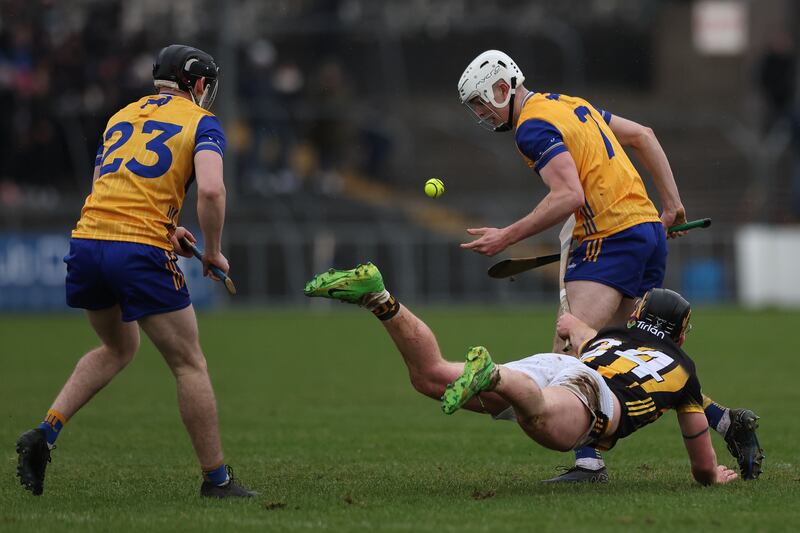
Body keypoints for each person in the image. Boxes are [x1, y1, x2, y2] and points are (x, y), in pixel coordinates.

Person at [455, 49, 756, 481]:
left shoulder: (532, 127)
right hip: (646, 234)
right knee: (625, 356)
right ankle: (726, 421)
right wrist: (669, 205)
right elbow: (645, 136)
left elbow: (569, 197)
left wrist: (506, 235)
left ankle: (589, 464)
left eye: (481, 102)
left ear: (503, 89)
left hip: (607, 240)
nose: (481, 113)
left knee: (566, 353)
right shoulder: (568, 104)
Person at [15, 45, 255, 498]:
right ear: (198, 84)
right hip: (137, 250)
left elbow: (121, 191)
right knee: (189, 363)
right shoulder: (202, 122)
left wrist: (170, 230)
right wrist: (213, 250)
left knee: (117, 346)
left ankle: (45, 433)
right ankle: (216, 480)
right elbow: (211, 191)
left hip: (87, 241)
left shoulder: (121, 116)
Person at [304, 263, 764, 485]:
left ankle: (382, 300)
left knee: (430, 377)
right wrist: (714, 478)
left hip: (563, 367)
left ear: (638, 315)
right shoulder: (683, 371)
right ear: (681, 336)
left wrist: (571, 325)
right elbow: (702, 466)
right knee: (545, 423)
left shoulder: (611, 335)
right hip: (592, 395)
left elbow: (575, 331)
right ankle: (493, 376)